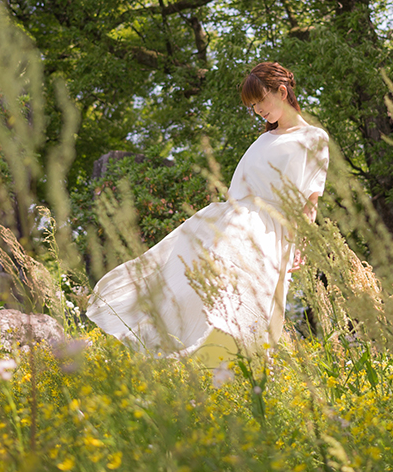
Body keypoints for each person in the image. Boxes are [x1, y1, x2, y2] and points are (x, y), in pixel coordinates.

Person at [85, 62, 329, 366]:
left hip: (272, 230)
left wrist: (303, 241)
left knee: (260, 302)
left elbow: (310, 199)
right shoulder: (263, 140)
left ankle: (239, 371)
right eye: (252, 106)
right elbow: (240, 188)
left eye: (261, 101)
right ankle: (191, 360)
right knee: (203, 289)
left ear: (282, 91)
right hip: (238, 225)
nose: (258, 111)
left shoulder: (313, 138)